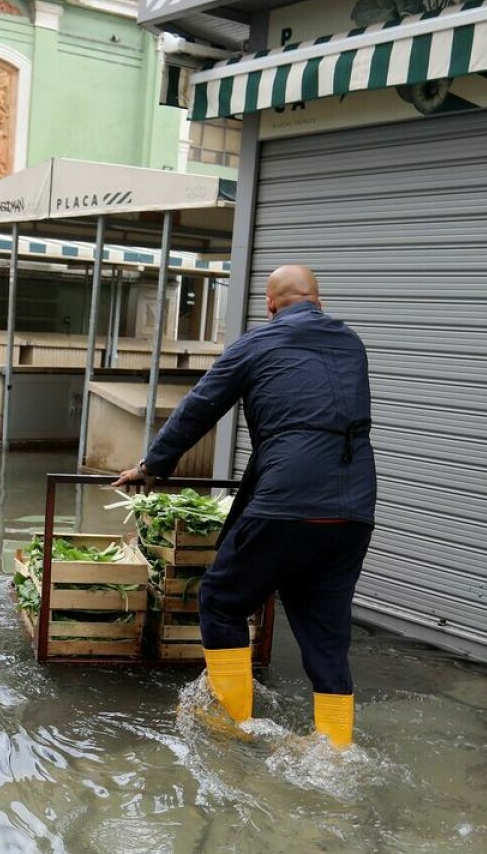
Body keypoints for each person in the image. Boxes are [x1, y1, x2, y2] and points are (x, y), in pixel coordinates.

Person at [114, 266, 376, 748]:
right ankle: (337, 748)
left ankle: (234, 725)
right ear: (319, 300)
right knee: (326, 633)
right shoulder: (352, 345)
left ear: (271, 306)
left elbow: (200, 406)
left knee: (221, 598)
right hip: (353, 510)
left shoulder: (257, 344)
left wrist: (152, 466)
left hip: (286, 501)